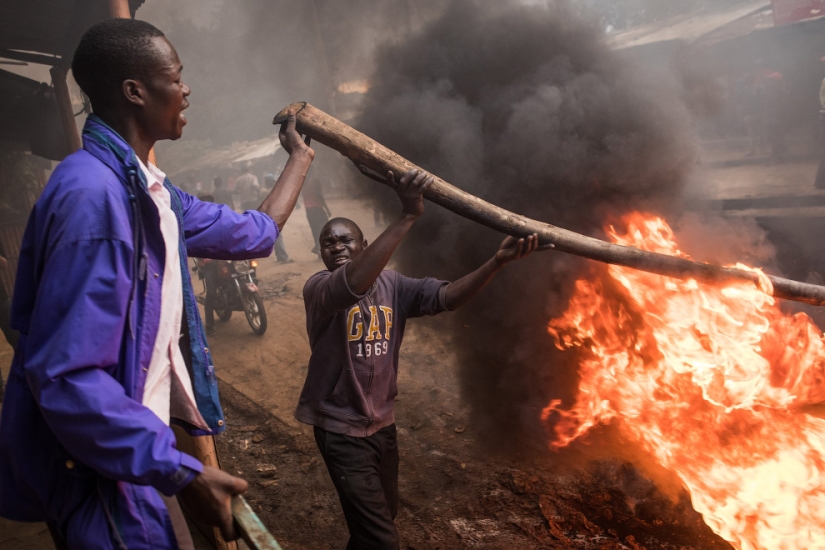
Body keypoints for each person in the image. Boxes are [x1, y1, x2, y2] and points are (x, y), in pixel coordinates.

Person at [0, 18, 314, 549]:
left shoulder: (148, 191)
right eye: (176, 76)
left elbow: (254, 234)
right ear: (135, 92)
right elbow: (69, 378)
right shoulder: (92, 198)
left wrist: (300, 158)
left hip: (127, 448)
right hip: (99, 469)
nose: (186, 89)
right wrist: (180, 471)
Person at [295, 169, 543, 549]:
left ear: (364, 243)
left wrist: (498, 262)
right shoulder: (319, 290)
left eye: (346, 239)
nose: (337, 246)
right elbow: (352, 284)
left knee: (379, 523)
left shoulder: (394, 286)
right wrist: (407, 216)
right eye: (327, 243)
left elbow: (448, 297)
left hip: (382, 425)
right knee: (382, 539)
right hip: (340, 431)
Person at [265, 173, 293, 264]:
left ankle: (279, 257)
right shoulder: (271, 191)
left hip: (269, 217)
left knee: (276, 237)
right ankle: (284, 257)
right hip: (274, 217)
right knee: (279, 237)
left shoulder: (264, 191)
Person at [302, 177, 331, 256]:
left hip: (308, 210)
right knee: (324, 228)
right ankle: (321, 248)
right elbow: (319, 195)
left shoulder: (302, 182)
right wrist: (327, 209)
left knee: (315, 230)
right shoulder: (314, 180)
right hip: (317, 208)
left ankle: (319, 250)